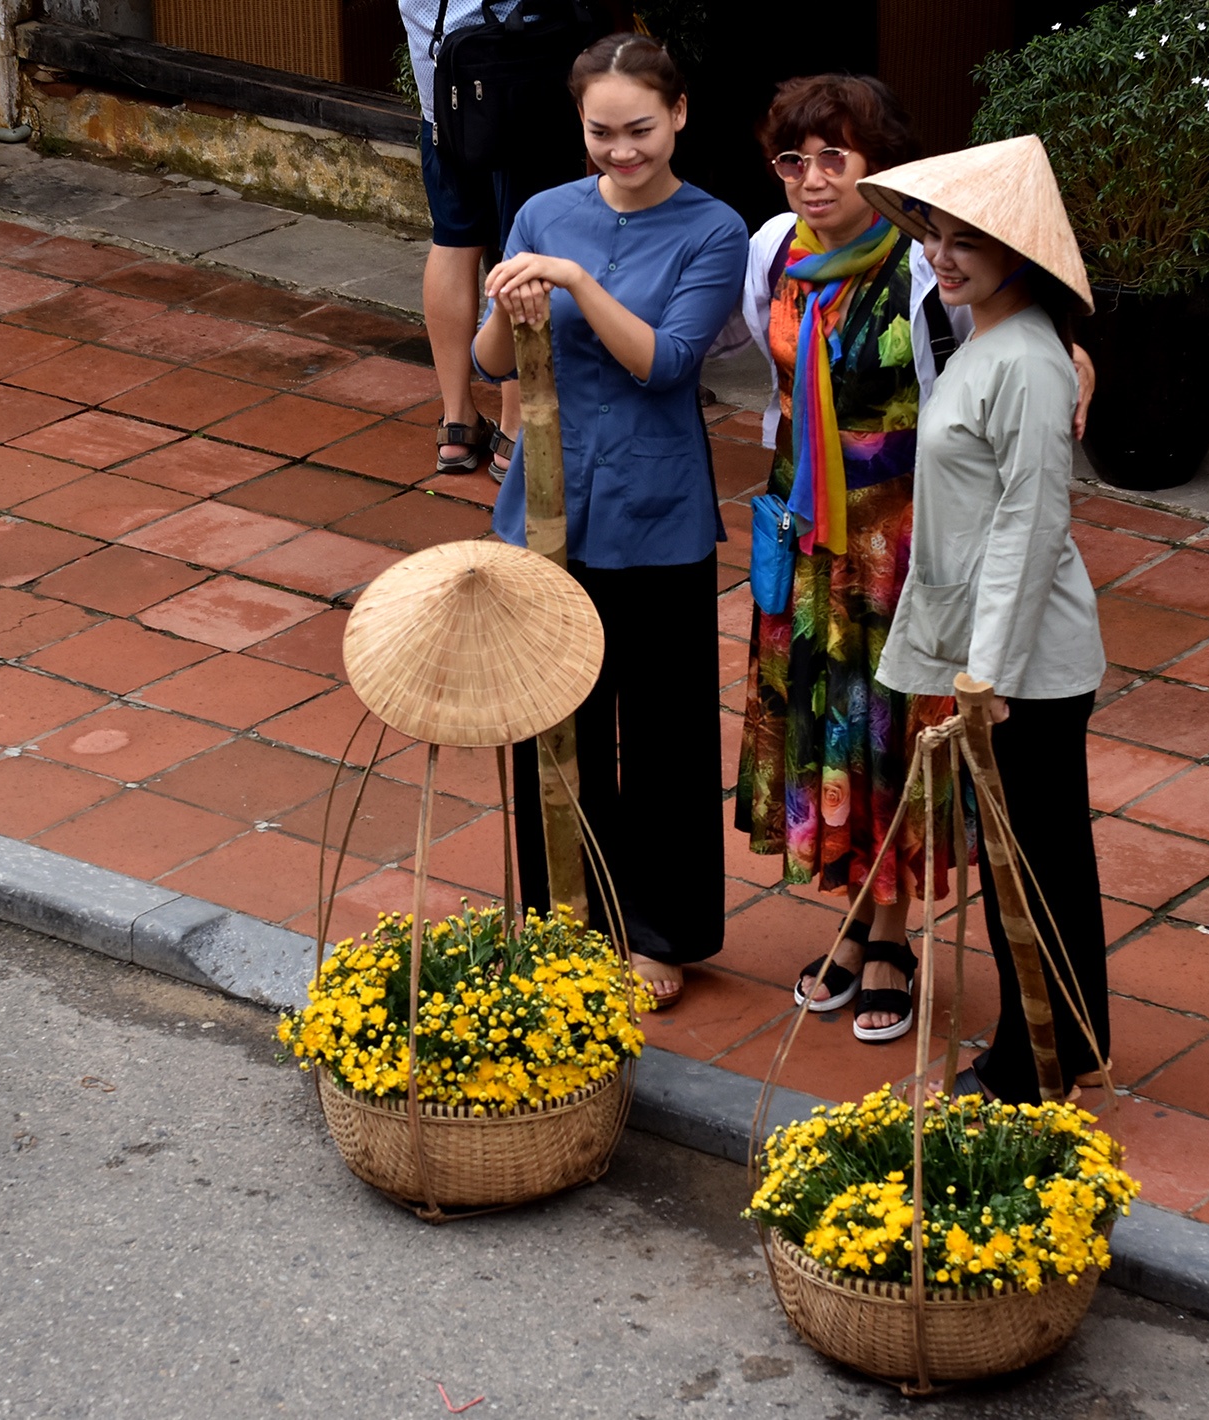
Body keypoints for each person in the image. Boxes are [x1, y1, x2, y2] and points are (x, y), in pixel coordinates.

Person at [725, 77, 1097, 1045]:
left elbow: (1024, 500)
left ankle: (960, 979)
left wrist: (992, 660)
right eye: (793, 159)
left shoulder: (944, 297)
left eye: (835, 158)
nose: (811, 179)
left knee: (899, 747)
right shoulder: (774, 254)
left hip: (906, 558)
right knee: (828, 733)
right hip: (813, 538)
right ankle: (872, 927)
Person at [474, 32, 747, 1008]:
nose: (622, 151)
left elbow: (669, 362)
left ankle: (660, 930)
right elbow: (494, 361)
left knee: (664, 731)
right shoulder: (546, 209)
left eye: (640, 129)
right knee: (546, 720)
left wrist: (579, 285)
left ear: (678, 117)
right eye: (601, 132)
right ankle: (559, 917)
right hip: (542, 504)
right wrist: (513, 301)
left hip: (656, 507)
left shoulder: (714, 230)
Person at [860, 135, 1111, 1104]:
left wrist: (987, 674)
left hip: (1026, 668)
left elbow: (1030, 526)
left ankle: (1036, 1055)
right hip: (998, 655)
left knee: (1037, 863)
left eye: (969, 239)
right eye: (934, 234)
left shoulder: (1029, 363)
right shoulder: (981, 339)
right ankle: (1056, 1038)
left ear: (1022, 253)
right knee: (1038, 856)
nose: (942, 254)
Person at [399, 0, 585, 480]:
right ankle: (514, 432)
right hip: (521, 76)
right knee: (523, 246)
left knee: (454, 238)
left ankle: (457, 424)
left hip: (443, 84)